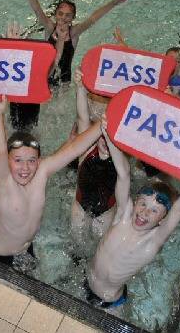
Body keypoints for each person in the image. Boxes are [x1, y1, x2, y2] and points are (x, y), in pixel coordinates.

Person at [86, 127, 180, 308]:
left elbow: (179, 209)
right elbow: (123, 174)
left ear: (162, 219)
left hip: (111, 303)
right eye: (143, 204)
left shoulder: (152, 241)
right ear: (135, 200)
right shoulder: (123, 216)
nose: (145, 212)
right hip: (85, 281)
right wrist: (109, 135)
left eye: (155, 211)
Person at [0, 95, 104, 274]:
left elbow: (76, 148)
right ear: (8, 162)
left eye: (31, 160)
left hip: (25, 251)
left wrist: (104, 123)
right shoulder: (5, 181)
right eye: (18, 160)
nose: (25, 168)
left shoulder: (42, 172)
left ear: (39, 160)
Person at [11, 0, 131, 131]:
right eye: (60, 14)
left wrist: (114, 3)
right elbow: (36, 8)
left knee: (55, 118)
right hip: (45, 78)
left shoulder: (74, 33)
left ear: (73, 17)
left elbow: (93, 17)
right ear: (55, 15)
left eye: (68, 15)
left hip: (63, 84)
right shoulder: (49, 28)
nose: (63, 18)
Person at [71, 69, 117, 250]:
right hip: (80, 206)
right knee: (75, 248)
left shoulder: (123, 156)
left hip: (106, 212)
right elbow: (83, 117)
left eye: (111, 139)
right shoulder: (87, 149)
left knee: (97, 250)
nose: (106, 143)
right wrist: (81, 88)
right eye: (103, 136)